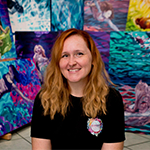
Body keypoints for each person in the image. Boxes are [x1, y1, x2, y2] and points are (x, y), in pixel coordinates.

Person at [31, 28, 125, 150]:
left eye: (79, 54)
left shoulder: (112, 99)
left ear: (93, 58)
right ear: (58, 63)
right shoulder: (45, 99)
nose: (71, 62)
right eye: (64, 55)